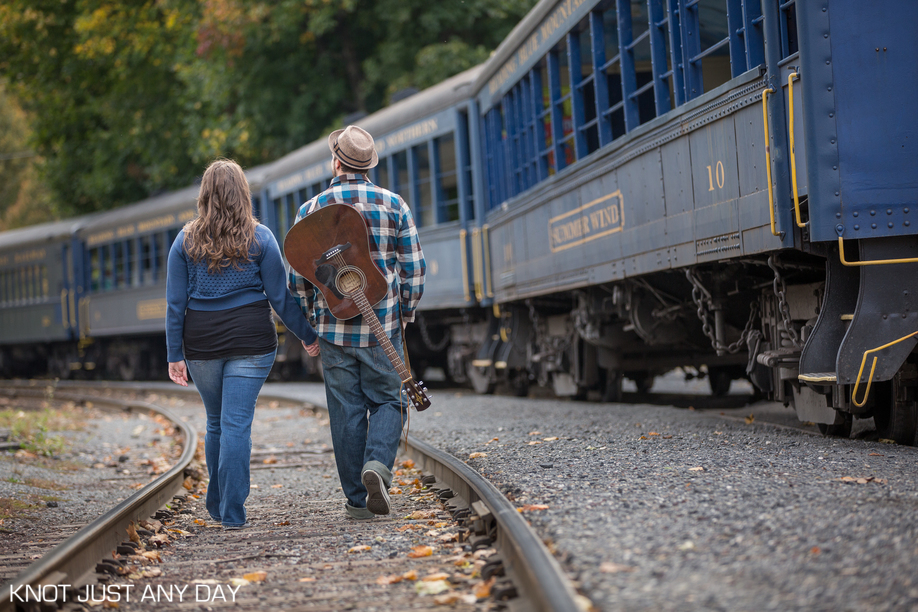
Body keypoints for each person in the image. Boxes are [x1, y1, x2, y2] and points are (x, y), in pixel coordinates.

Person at [166, 159, 319, 530]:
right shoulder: (260, 237)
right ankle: (231, 514)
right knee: (235, 424)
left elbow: (174, 304)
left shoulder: (184, 241)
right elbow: (280, 298)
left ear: (205, 196)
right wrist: (308, 335)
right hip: (252, 340)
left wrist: (174, 355)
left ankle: (217, 505)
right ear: (242, 194)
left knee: (217, 422)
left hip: (201, 343)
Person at [288, 125, 426, 520]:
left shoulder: (309, 211)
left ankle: (355, 500)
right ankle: (377, 467)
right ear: (367, 165)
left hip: (333, 331)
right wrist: (404, 313)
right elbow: (415, 269)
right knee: (389, 399)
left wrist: (316, 315)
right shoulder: (393, 204)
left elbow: (298, 281)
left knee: (346, 410)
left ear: (336, 161)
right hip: (384, 328)